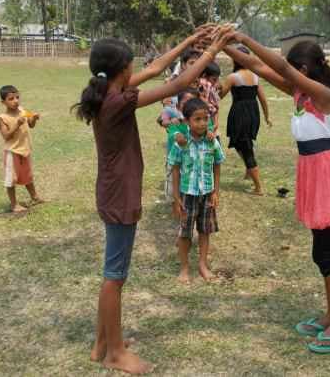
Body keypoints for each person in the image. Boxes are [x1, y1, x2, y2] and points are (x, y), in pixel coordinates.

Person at [73, 26, 229, 374]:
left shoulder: (110, 92)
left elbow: (158, 69)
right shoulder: (118, 101)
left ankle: (102, 344)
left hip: (114, 190)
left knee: (115, 274)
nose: (135, 70)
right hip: (120, 194)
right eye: (131, 65)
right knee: (115, 276)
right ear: (123, 69)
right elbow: (175, 85)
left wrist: (189, 42)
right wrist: (211, 51)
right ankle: (114, 353)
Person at [220, 33, 330, 354]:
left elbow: (280, 66)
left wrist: (242, 37)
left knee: (327, 254)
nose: (293, 73)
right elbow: (257, 65)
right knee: (322, 252)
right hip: (313, 173)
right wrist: (220, 47)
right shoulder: (300, 93)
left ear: (311, 68)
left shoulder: (324, 95)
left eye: (299, 67)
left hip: (326, 175)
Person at [168, 98, 226, 282]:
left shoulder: (212, 142)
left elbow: (217, 165)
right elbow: (175, 170)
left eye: (205, 119)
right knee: (185, 233)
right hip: (187, 195)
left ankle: (202, 264)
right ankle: (184, 268)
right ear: (187, 121)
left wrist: (216, 191)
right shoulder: (181, 144)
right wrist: (176, 197)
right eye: (197, 119)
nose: (202, 123)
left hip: (207, 194)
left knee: (205, 230)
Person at [220, 46, 272, 195]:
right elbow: (262, 98)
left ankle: (258, 187)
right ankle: (249, 171)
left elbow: (220, 95)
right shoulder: (255, 76)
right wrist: (267, 116)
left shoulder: (233, 77)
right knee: (243, 143)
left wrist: (215, 88)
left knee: (244, 147)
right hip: (253, 113)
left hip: (240, 114)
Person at [0, 85, 43, 213]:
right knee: (11, 179)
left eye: (17, 97)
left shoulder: (22, 111)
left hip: (25, 150)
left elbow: (31, 125)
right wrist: (17, 124)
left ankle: (35, 197)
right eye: (11, 99)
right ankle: (14, 204)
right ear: (3, 102)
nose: (16, 101)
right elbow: (6, 136)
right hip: (13, 151)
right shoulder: (2, 118)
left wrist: (34, 118)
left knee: (28, 175)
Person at [198, 61, 221, 137]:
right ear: (204, 75)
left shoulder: (210, 87)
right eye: (214, 79)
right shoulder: (204, 84)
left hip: (210, 120)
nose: (215, 82)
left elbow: (216, 106)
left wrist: (216, 122)